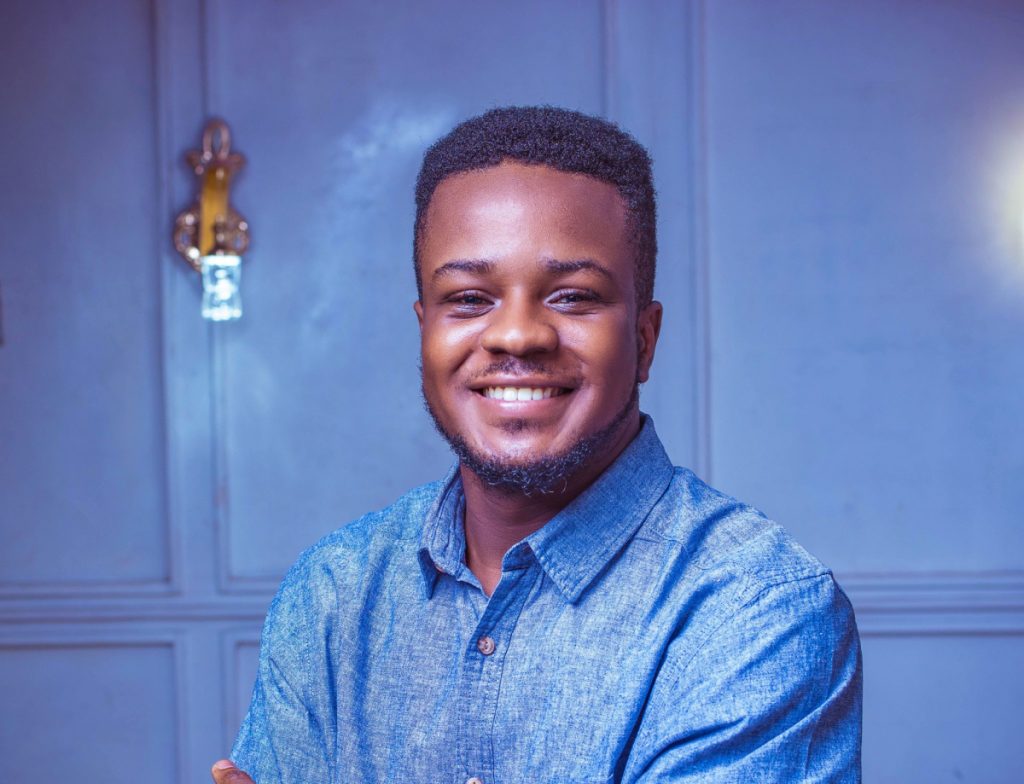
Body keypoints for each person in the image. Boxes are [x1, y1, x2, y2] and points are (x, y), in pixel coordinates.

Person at [211, 106, 862, 784]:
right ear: (425, 329)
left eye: (573, 296)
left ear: (644, 339)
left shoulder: (759, 609)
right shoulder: (331, 593)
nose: (517, 335)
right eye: (468, 298)